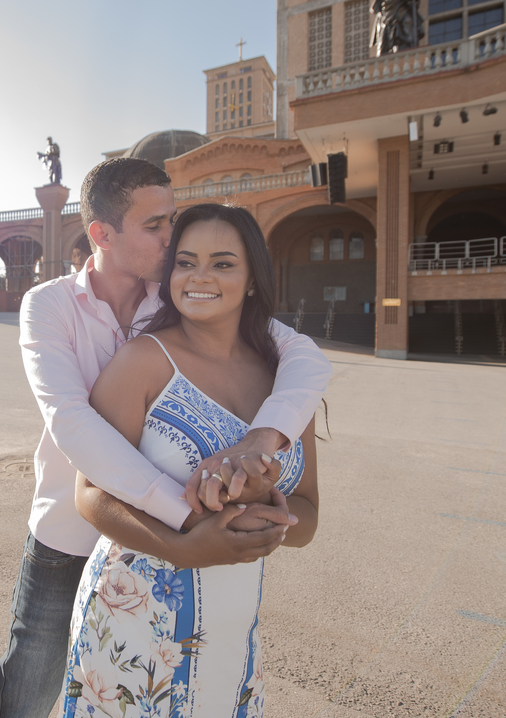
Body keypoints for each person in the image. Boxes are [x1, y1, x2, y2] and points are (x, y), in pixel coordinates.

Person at [0, 158, 331, 718]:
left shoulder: (177, 294)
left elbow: (303, 356)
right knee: (29, 680)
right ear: (102, 234)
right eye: (156, 226)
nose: (173, 240)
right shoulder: (49, 305)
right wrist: (192, 520)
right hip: (70, 529)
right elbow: (72, 422)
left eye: (172, 220)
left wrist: (262, 439)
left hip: (182, 570)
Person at [61, 203, 318, 717]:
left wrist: (265, 516)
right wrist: (184, 548)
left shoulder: (287, 382)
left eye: (223, 263)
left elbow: (307, 515)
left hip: (232, 628)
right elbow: (89, 494)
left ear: (251, 280)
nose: (200, 276)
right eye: (185, 262)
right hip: (134, 621)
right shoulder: (144, 361)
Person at [360, 0, 425, 56]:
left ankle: (411, 46)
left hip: (401, 12)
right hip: (388, 15)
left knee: (409, 22)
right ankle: (382, 53)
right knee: (383, 34)